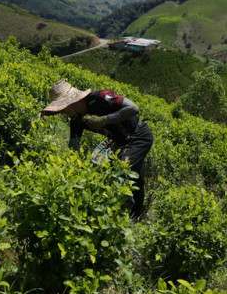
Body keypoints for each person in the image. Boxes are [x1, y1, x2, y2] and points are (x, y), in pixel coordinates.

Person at [39, 79, 153, 219]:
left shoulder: (100, 97)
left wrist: (103, 120)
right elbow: (73, 147)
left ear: (72, 103)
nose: (63, 113)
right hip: (119, 142)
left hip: (138, 136)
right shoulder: (76, 120)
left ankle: (119, 217)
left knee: (122, 170)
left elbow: (134, 109)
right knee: (136, 178)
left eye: (63, 109)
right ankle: (136, 216)